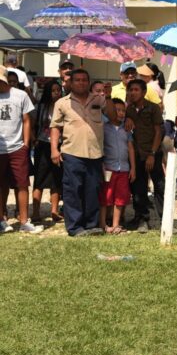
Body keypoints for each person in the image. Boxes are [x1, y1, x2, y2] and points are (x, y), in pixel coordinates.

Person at [51, 69, 105, 237]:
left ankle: (91, 225)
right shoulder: (62, 103)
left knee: (93, 190)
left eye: (84, 80)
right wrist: (54, 149)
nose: (81, 83)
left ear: (89, 82)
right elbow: (55, 127)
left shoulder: (99, 99)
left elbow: (111, 113)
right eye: (77, 80)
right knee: (72, 190)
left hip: (95, 153)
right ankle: (75, 227)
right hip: (72, 152)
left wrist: (106, 95)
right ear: (71, 83)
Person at [124, 78, 165, 233]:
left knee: (159, 185)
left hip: (153, 153)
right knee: (138, 187)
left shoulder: (153, 108)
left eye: (136, 90)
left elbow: (158, 131)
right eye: (130, 90)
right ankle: (141, 218)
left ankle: (164, 218)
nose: (132, 93)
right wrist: (128, 117)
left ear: (144, 92)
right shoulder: (128, 109)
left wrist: (152, 154)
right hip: (136, 154)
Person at [0, 67, 36, 233]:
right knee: (2, 185)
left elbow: (26, 119)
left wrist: (26, 143)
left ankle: (23, 221)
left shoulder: (20, 95)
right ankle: (1, 221)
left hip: (17, 147)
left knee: (22, 184)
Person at [99, 99, 135, 234]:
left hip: (124, 169)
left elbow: (131, 149)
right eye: (117, 110)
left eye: (123, 110)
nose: (120, 113)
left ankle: (116, 225)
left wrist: (133, 168)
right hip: (108, 168)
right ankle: (102, 224)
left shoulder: (126, 129)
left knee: (120, 198)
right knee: (105, 197)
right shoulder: (104, 127)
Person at [30, 79, 62, 225]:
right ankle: (35, 212)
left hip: (60, 144)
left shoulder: (64, 106)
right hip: (42, 144)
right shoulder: (41, 106)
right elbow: (31, 123)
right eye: (53, 90)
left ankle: (54, 210)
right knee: (40, 178)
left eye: (58, 90)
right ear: (48, 92)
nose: (56, 93)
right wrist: (34, 139)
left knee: (56, 178)